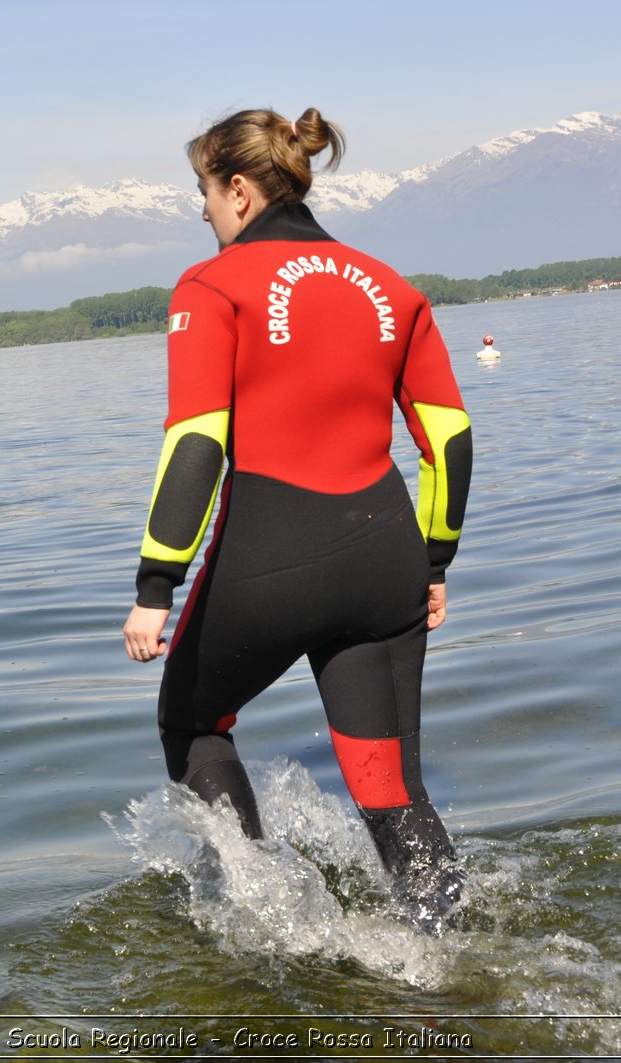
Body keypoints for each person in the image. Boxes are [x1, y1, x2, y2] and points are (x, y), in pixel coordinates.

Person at [121, 108, 473, 932]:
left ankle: (259, 924)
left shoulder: (211, 286)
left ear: (238, 190)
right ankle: (458, 959)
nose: (204, 212)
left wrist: (155, 585)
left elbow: (197, 443)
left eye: (202, 194)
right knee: (392, 788)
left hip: (270, 555)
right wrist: (434, 563)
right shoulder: (393, 285)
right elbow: (450, 441)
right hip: (386, 554)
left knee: (192, 719)